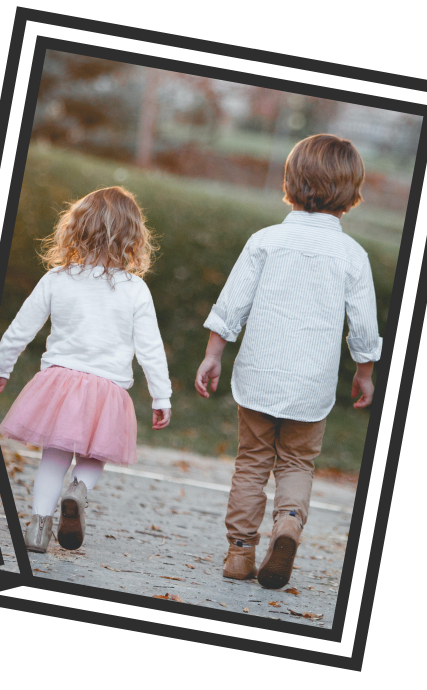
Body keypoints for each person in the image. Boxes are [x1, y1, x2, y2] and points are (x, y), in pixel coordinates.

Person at [195, 134, 381, 590]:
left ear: (291, 181)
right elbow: (363, 325)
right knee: (297, 463)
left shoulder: (265, 241)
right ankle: (287, 526)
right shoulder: (352, 256)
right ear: (351, 192)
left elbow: (232, 304)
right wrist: (364, 374)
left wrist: (213, 354)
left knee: (252, 462)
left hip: (259, 376)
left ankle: (240, 554)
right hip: (310, 385)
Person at [0, 186, 172, 553]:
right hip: (108, 390)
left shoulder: (57, 279)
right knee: (93, 454)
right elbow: (150, 348)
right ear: (133, 238)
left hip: (59, 385)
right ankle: (79, 491)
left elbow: (21, 329)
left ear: (76, 229)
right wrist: (160, 395)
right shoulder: (135, 290)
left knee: (53, 457)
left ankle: (38, 528)